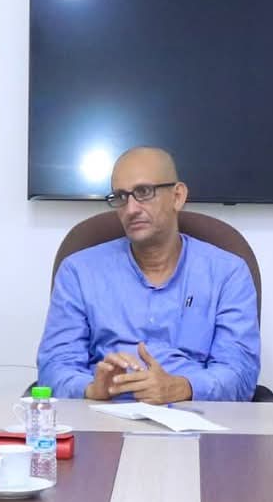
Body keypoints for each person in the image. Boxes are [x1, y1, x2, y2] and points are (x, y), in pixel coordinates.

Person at [37, 146, 261, 403]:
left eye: (144, 192)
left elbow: (240, 371)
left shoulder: (227, 273)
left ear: (177, 196)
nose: (131, 208)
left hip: (194, 415)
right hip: (102, 413)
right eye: (121, 197)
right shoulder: (79, 271)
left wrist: (183, 387)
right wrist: (91, 389)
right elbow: (54, 366)